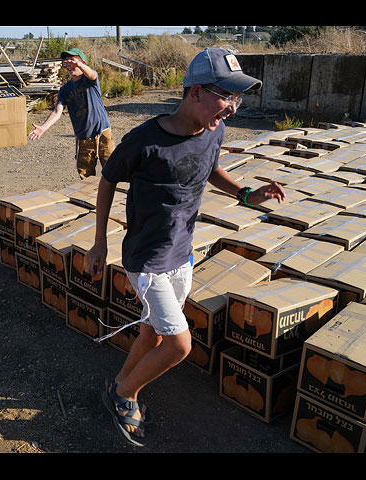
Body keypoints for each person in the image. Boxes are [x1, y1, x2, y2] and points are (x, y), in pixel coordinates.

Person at [84, 48, 285, 447]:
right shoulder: (144, 139)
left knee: (154, 332)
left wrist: (247, 195)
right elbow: (107, 180)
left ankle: (122, 383)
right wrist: (98, 243)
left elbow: (211, 170)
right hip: (147, 260)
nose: (232, 107)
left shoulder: (214, 131)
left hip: (182, 255)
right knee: (179, 344)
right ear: (195, 93)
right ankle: (123, 393)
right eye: (226, 96)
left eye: (237, 98)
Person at [28, 47, 114, 179]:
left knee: (113, 171)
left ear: (82, 63)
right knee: (85, 176)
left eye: (72, 60)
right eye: (66, 62)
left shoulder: (90, 80)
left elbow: (91, 74)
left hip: (103, 133)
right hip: (83, 137)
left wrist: (78, 64)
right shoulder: (65, 89)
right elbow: (57, 111)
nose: (69, 64)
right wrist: (43, 128)